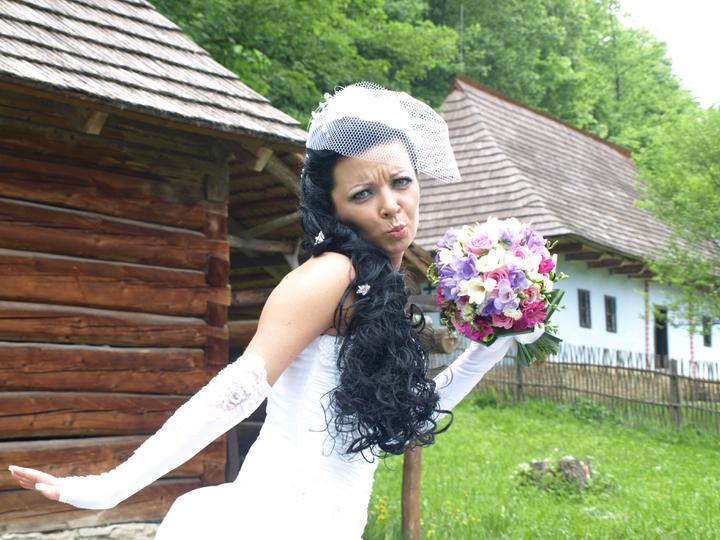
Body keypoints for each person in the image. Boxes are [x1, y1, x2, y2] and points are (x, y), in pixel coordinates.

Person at [9, 82, 543, 539]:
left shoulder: (377, 289)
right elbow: (237, 390)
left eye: (401, 181)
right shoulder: (329, 275)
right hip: (275, 519)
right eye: (363, 193)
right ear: (333, 207)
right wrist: (112, 486)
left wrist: (492, 342)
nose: (390, 204)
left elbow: (408, 414)